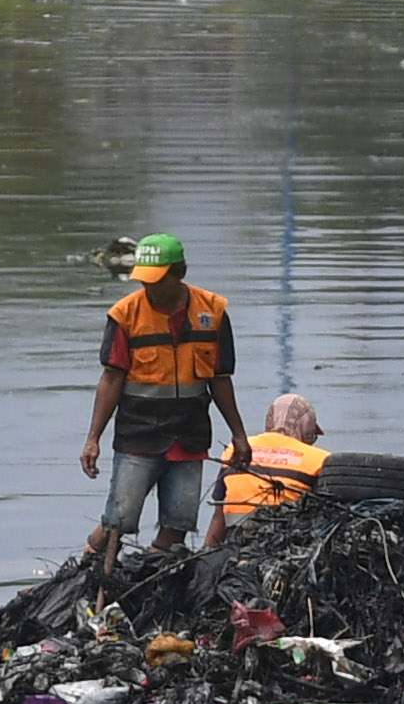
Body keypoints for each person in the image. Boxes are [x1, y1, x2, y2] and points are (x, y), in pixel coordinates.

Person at [79, 234, 251, 557]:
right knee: (118, 521)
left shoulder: (212, 313)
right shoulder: (125, 315)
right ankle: (89, 568)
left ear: (179, 274)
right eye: (144, 280)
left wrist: (239, 435)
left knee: (177, 527)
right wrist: (93, 438)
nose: (149, 287)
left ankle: (152, 580)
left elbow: (221, 380)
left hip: (189, 436)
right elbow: (111, 380)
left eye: (156, 280)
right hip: (138, 435)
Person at [208, 391, 330, 533]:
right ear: (307, 429)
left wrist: (206, 551)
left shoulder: (235, 450)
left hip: (235, 534)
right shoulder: (320, 459)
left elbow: (219, 514)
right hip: (285, 537)